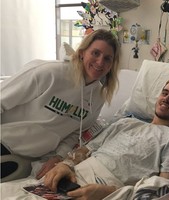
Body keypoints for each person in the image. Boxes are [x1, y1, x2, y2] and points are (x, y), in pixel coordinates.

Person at [43, 75, 169, 200]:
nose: (167, 98)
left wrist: (110, 193)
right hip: (70, 176)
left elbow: (163, 190)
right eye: (165, 93)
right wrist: (65, 164)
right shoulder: (125, 122)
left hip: (107, 191)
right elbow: (86, 150)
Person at [0, 29, 120, 181]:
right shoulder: (49, 73)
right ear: (82, 52)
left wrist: (58, 156)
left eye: (107, 58)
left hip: (32, 159)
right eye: (95, 53)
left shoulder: (98, 97)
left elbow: (76, 133)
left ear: (112, 65)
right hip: (5, 143)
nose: (100, 62)